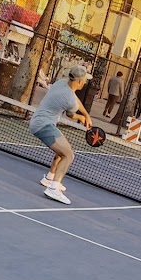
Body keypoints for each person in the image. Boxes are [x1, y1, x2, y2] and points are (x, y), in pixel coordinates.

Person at [29, 65, 93, 204]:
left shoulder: (61, 83)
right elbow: (71, 114)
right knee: (68, 155)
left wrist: (86, 115)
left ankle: (50, 178)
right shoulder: (69, 99)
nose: (85, 82)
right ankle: (54, 188)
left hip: (40, 121)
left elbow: (75, 99)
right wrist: (81, 117)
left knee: (62, 150)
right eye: (84, 80)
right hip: (43, 126)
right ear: (80, 82)